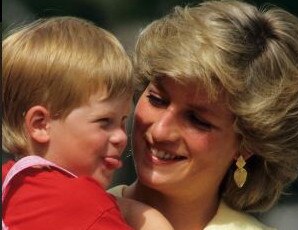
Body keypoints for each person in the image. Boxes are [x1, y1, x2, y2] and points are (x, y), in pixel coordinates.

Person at [109, 0, 298, 229]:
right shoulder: (66, 213)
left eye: (197, 120)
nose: (160, 130)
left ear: (247, 144)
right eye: (157, 100)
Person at [2, 16, 173, 230]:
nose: (121, 136)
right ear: (40, 124)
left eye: (122, 121)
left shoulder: (9, 187)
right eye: (104, 122)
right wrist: (152, 221)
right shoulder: (83, 204)